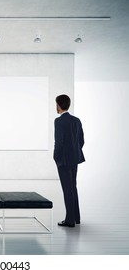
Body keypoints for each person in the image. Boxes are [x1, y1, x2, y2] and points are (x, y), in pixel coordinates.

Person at [54, 94, 85, 227]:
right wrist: (74, 151)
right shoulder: (76, 120)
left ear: (59, 105)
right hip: (75, 158)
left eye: (56, 104)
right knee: (73, 187)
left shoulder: (59, 121)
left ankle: (69, 220)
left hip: (64, 160)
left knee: (67, 189)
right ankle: (76, 217)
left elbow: (59, 142)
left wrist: (56, 157)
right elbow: (81, 140)